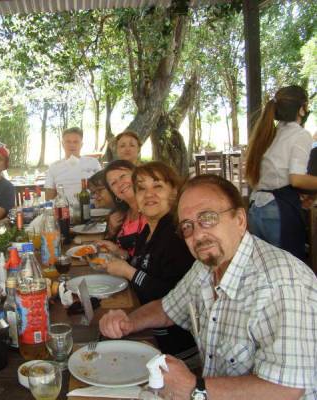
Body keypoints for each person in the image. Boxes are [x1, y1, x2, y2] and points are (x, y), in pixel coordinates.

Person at [100, 174, 316, 400]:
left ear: (240, 220)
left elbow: (286, 389)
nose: (198, 234)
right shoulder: (207, 265)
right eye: (188, 226)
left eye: (208, 218)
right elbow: (168, 308)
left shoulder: (282, 283)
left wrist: (196, 387)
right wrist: (128, 322)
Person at [101, 162, 197, 361]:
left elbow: (171, 298)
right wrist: (124, 257)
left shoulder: (177, 235)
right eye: (142, 188)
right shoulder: (149, 230)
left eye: (158, 186)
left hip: (173, 349)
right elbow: (148, 266)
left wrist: (129, 272)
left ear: (174, 192)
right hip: (146, 327)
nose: (148, 194)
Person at [246, 85, 316, 260]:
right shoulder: (300, 134)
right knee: (289, 268)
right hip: (278, 210)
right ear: (302, 109)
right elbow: (296, 179)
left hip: (257, 207)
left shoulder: (270, 134)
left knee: (265, 269)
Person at [98, 160, 146, 256]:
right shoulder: (121, 214)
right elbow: (123, 253)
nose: (120, 184)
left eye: (123, 176)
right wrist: (112, 232)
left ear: (136, 175)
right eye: (113, 183)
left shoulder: (153, 210)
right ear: (113, 193)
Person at [45, 127, 101, 201]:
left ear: (81, 144)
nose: (72, 145)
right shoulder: (54, 167)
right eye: (68, 142)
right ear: (62, 144)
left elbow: (102, 188)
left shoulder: (93, 162)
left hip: (90, 207)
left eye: (76, 142)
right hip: (65, 209)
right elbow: (49, 198)